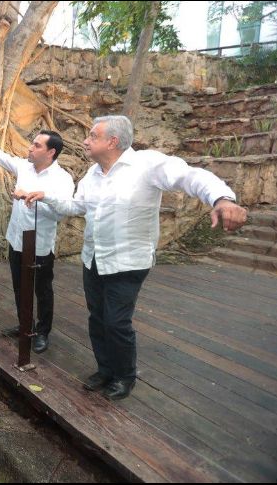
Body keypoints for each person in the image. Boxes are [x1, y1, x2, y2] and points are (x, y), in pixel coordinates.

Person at [22, 115, 248, 400]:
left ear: (112, 141)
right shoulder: (92, 175)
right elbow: (78, 206)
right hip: (94, 259)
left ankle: (124, 376)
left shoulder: (146, 164)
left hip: (128, 262)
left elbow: (190, 176)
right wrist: (46, 196)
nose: (85, 140)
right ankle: (105, 370)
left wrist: (222, 199)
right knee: (97, 318)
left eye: (92, 135)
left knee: (116, 322)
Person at [0, 119, 75, 353]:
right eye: (32, 143)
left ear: (51, 152)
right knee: (19, 286)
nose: (31, 147)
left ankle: (42, 332)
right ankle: (24, 325)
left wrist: (30, 196)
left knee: (42, 290)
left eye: (37, 145)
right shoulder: (24, 167)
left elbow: (61, 213)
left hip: (39, 245)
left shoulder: (62, 179)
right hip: (16, 239)